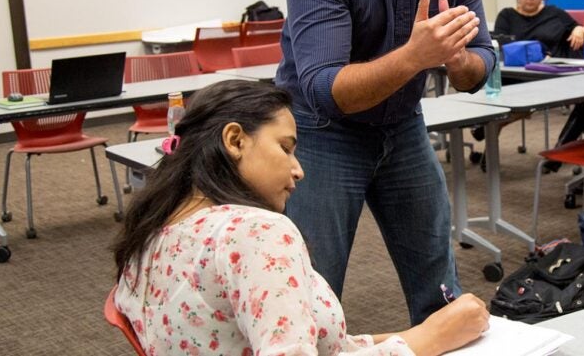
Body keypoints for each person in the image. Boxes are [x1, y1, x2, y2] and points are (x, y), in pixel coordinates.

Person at [274, 0, 495, 325]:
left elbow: (481, 61)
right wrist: (415, 57)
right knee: (311, 289)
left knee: (439, 283)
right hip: (320, 134)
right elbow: (324, 90)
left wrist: (459, 62)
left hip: (401, 127)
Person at [112, 80, 490, 356]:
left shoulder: (150, 232)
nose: (298, 170)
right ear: (235, 140)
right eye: (285, 148)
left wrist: (419, 332)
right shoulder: (256, 233)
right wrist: (426, 341)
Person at [486, 0, 584, 173]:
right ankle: (486, 131)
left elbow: (580, 29)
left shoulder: (554, 14)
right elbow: (498, 47)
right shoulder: (507, 16)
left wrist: (580, 30)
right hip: (512, 79)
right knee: (500, 101)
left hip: (547, 80)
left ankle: (558, 152)